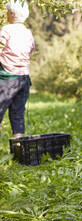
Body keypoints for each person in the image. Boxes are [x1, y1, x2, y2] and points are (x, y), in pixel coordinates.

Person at [0, 0, 34, 138]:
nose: (6, 14)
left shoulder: (6, 30)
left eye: (8, 12)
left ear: (12, 14)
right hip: (23, 79)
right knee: (18, 114)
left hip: (7, 78)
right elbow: (30, 50)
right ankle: (18, 150)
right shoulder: (27, 32)